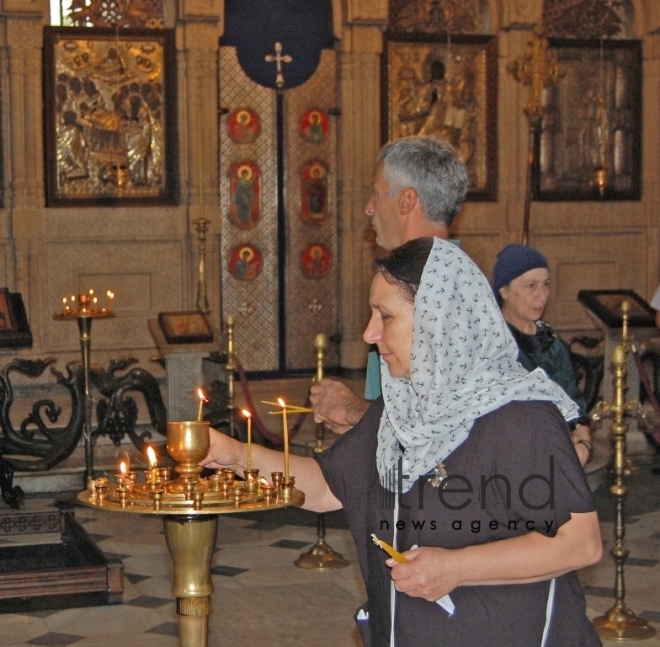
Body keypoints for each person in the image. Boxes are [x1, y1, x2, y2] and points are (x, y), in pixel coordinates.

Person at [203, 237, 603, 647]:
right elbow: (326, 486)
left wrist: (457, 567)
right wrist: (234, 454)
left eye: (386, 316)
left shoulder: (520, 416)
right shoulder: (402, 408)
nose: (369, 332)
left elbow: (580, 544)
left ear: (439, 321)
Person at [310, 136, 468, 434]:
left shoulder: (445, 290)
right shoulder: (408, 277)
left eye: (377, 195)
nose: (369, 208)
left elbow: (448, 422)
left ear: (406, 201)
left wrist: (354, 411)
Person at [492, 243, 594, 466]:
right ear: (504, 290)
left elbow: (573, 402)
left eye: (546, 285)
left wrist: (583, 442)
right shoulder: (493, 344)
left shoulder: (550, 340)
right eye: (531, 286)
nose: (542, 296)